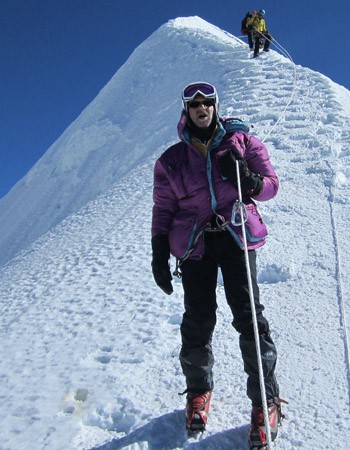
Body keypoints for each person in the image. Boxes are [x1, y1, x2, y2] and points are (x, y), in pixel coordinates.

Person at [151, 82, 286, 447]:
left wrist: (249, 180)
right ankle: (198, 391)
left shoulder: (241, 144)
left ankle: (265, 400)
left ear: (215, 106)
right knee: (198, 319)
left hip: (236, 236)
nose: (201, 109)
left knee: (248, 317)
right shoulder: (171, 160)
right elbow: (163, 208)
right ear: (186, 111)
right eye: (194, 104)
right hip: (195, 244)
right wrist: (158, 248)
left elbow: (273, 185)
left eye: (206, 103)